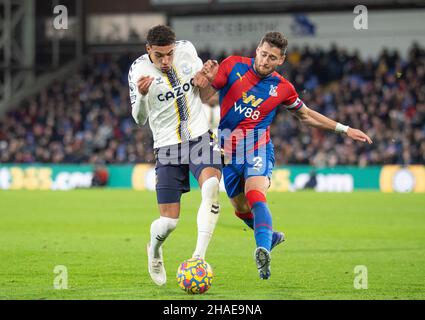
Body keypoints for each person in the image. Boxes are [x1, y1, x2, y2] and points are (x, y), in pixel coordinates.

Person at [197, 31, 372, 280]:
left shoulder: (282, 88)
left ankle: (262, 249)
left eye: (272, 58)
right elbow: (204, 98)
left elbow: (306, 115)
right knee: (240, 208)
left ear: (281, 60)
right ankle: (271, 237)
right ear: (257, 49)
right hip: (228, 151)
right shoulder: (233, 65)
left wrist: (344, 129)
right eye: (264, 54)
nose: (266, 61)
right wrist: (205, 77)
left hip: (258, 146)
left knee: (255, 193)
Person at [128, 25, 222, 286]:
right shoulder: (138, 70)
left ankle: (198, 258)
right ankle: (155, 250)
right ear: (148, 50)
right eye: (160, 56)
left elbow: (206, 94)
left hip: (199, 136)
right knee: (168, 223)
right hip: (167, 146)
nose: (166, 60)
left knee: (212, 186)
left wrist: (208, 79)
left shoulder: (188, 51)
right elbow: (139, 119)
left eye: (170, 53)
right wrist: (143, 96)